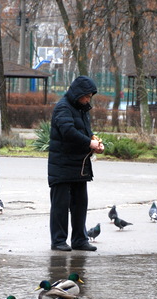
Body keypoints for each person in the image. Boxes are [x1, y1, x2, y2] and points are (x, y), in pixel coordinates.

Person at [47, 75, 105, 252]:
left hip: (79, 166)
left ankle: (80, 239)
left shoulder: (81, 109)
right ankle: (58, 241)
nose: (88, 99)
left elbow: (83, 131)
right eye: (86, 96)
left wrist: (95, 142)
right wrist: (89, 143)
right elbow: (68, 131)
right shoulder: (63, 107)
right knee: (60, 206)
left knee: (80, 204)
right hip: (62, 165)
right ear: (77, 93)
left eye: (90, 97)